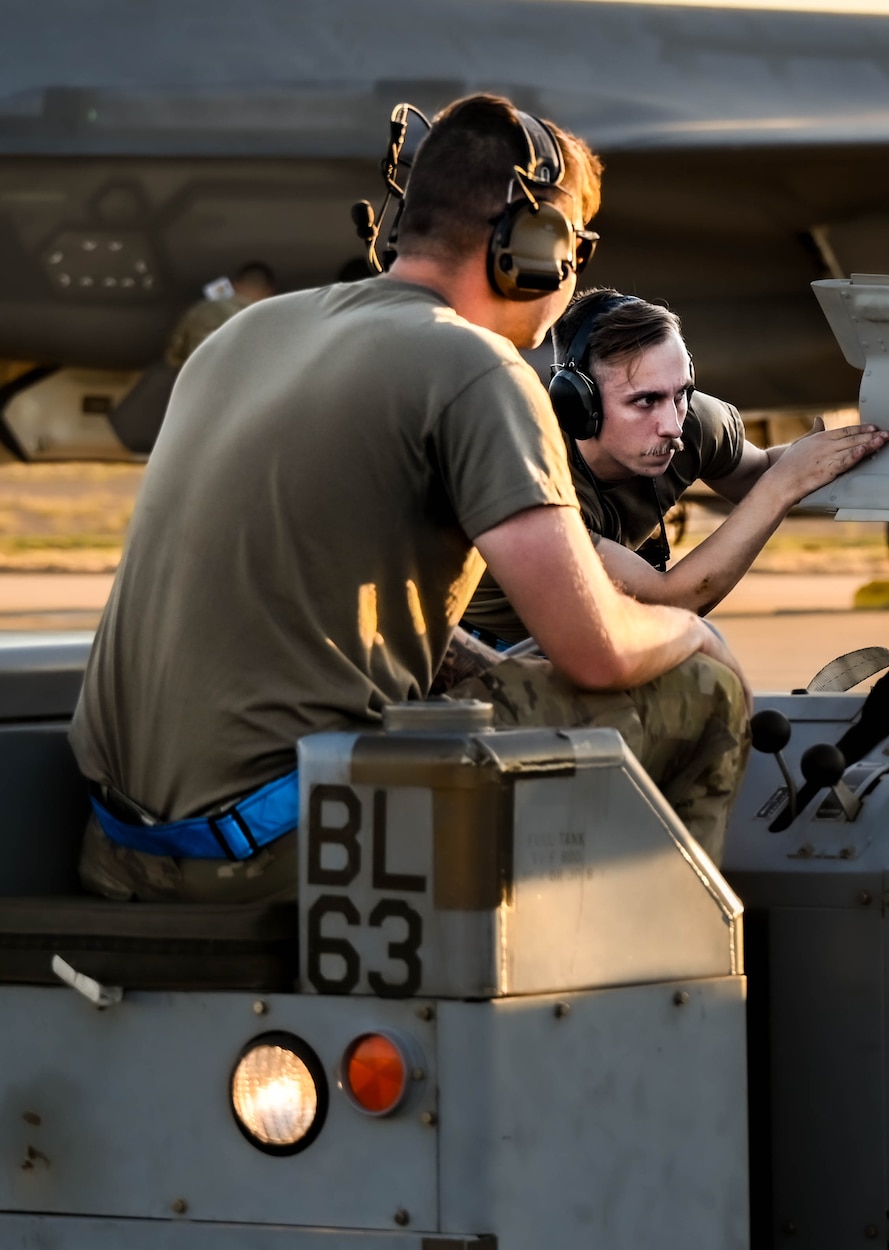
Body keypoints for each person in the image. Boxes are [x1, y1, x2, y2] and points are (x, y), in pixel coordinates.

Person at [70, 93, 750, 903]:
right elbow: (596, 652)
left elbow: (312, 610)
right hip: (286, 850)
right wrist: (691, 627)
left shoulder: (244, 336)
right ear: (536, 249)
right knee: (704, 692)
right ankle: (652, 993)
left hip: (120, 850)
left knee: (510, 667)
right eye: (576, 247)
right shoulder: (478, 370)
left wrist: (483, 659)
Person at [458, 290, 889, 645]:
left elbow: (756, 477)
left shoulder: (690, 419)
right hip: (485, 649)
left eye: (681, 392)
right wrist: (783, 484)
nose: (671, 426)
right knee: (697, 648)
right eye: (644, 401)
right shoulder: (527, 473)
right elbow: (670, 601)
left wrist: (829, 453)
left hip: (587, 632)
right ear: (579, 404)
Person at [109, 262, 279, 454]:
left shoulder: (200, 310)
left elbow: (173, 355)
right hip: (243, 406)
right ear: (268, 291)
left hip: (195, 397)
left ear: (236, 285)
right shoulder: (271, 320)